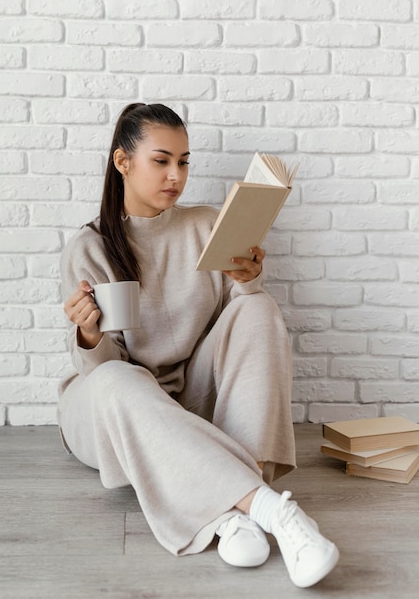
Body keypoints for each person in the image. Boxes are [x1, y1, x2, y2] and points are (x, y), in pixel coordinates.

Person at [58, 102, 339, 588]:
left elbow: (241, 326)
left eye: (184, 162)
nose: (176, 175)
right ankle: (273, 512)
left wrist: (248, 281)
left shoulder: (207, 224)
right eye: (161, 160)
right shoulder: (91, 246)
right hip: (108, 410)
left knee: (259, 308)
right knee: (118, 378)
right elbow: (101, 371)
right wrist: (89, 334)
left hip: (190, 400)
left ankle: (233, 517)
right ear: (122, 163)